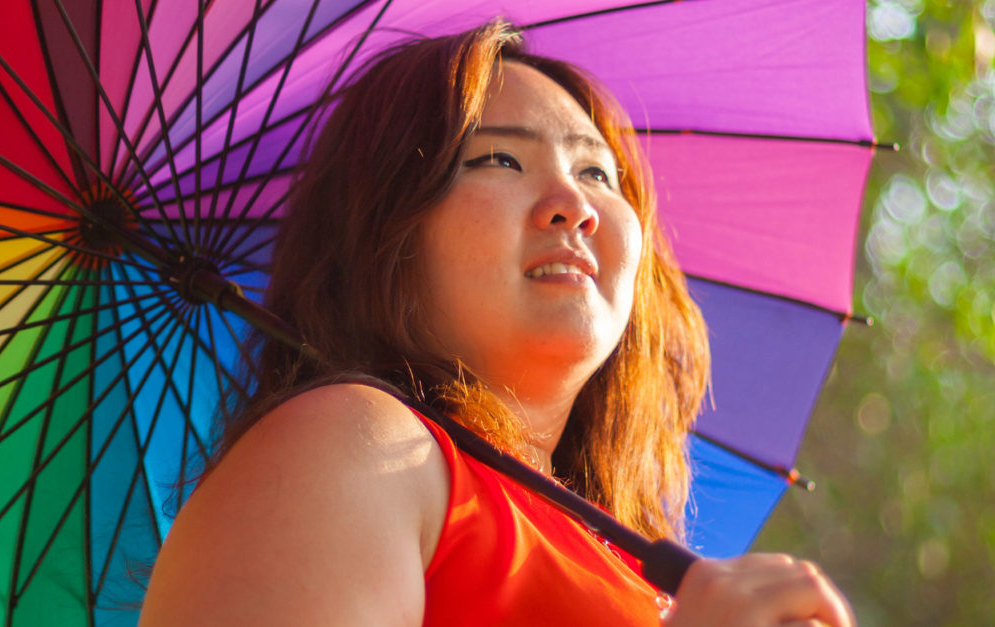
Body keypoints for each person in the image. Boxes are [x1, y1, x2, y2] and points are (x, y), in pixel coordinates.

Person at [140, 21, 855, 626]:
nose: (572, 205)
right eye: (500, 159)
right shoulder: (354, 441)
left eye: (598, 174)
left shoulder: (625, 559)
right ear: (386, 232)